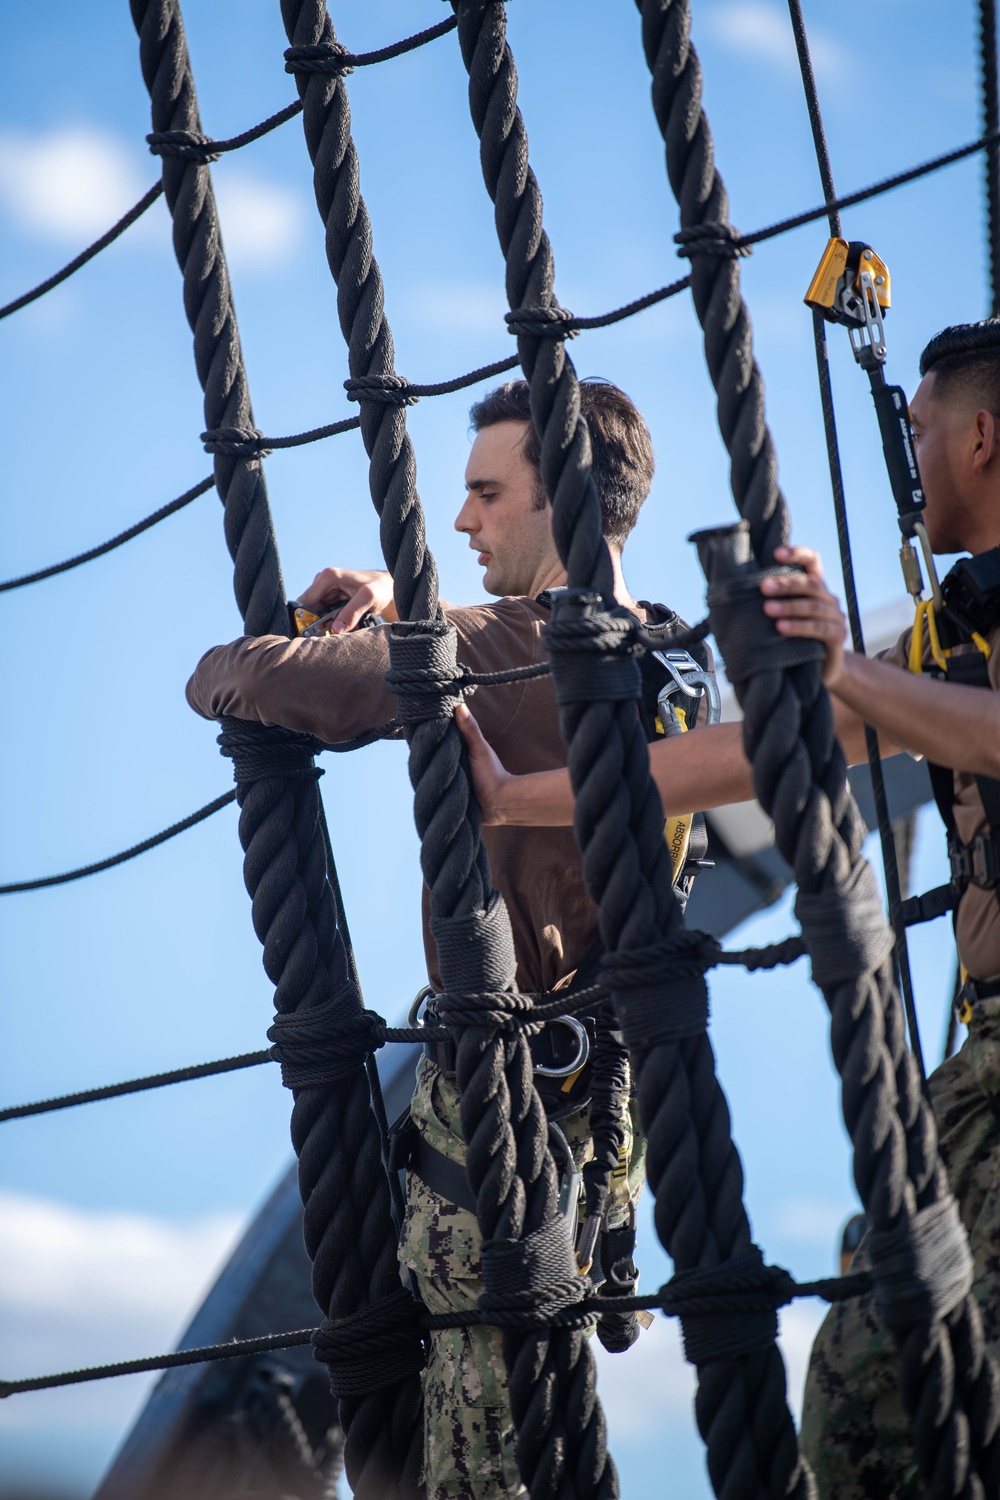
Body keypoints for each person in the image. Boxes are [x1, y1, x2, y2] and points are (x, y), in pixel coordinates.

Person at [459, 322, 1000, 1499]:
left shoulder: (920, 659)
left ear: (980, 436)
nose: (906, 462)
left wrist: (842, 668)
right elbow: (736, 759)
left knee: (899, 1385)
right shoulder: (950, 640)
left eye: (915, 432)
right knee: (876, 1392)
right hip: (989, 1062)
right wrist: (519, 797)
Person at [186, 378, 712, 1500]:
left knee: (469, 1469)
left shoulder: (507, 647)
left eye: (484, 493)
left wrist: (273, 643)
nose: (461, 522)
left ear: (559, 501)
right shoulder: (672, 663)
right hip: (599, 1129)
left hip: (489, 1125)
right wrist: (404, 602)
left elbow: (271, 684)